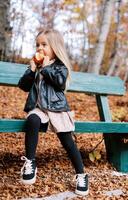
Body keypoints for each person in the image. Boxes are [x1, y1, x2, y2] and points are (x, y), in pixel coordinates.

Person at [18, 29, 89, 196]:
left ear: (55, 47)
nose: (40, 48)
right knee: (32, 120)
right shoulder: (36, 66)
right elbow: (23, 86)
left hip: (57, 109)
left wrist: (45, 68)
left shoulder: (59, 66)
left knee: (68, 142)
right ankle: (30, 162)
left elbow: (60, 83)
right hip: (39, 108)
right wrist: (32, 70)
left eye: (44, 44)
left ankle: (81, 174)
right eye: (37, 45)